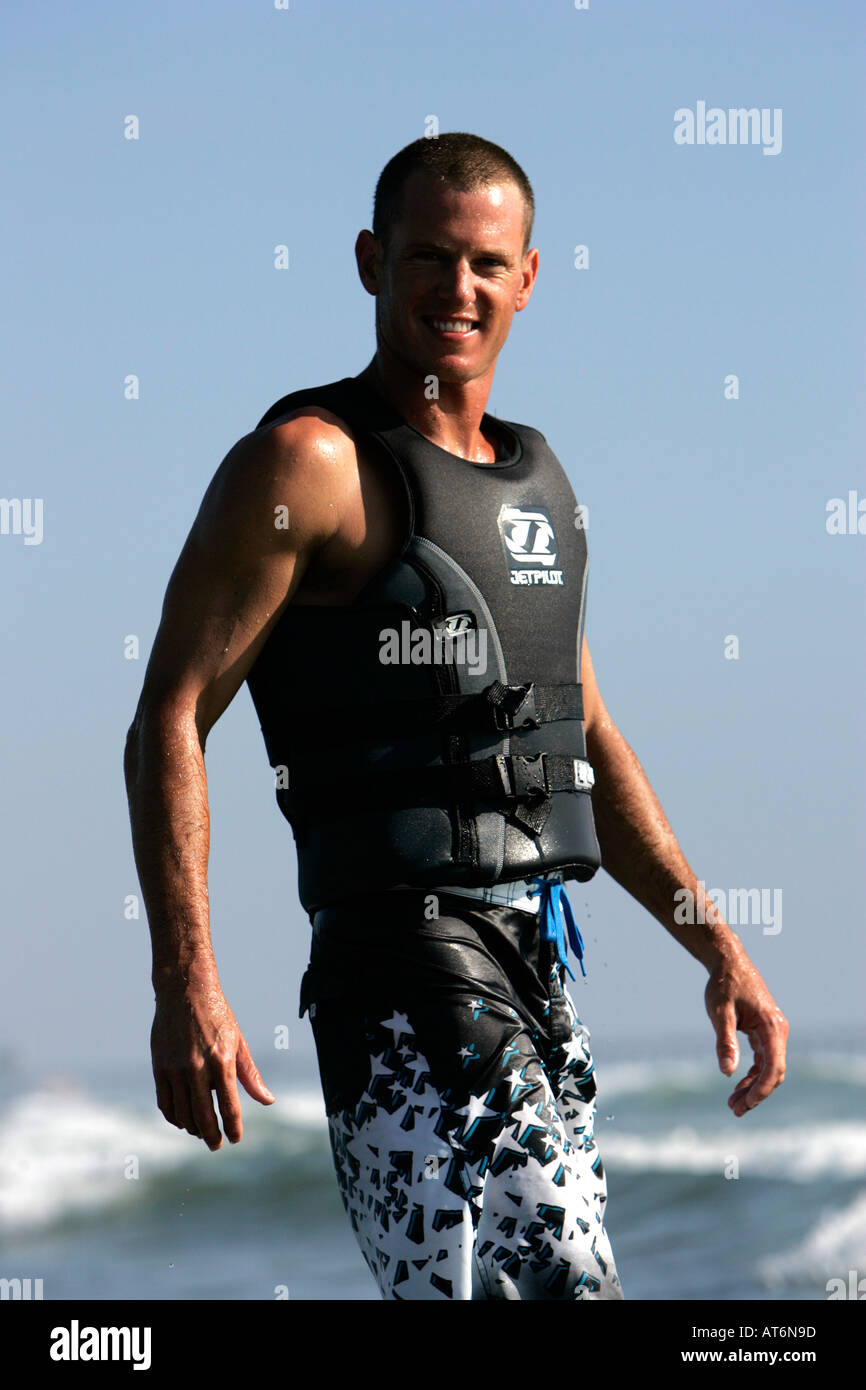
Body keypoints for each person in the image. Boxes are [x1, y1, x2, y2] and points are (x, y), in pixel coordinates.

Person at [124, 132, 789, 1301]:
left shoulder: (538, 485)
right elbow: (169, 718)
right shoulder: (306, 465)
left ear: (526, 277)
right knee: (560, 1286)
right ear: (370, 261)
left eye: (486, 262)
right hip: (398, 963)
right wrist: (185, 980)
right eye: (428, 256)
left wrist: (716, 945)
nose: (458, 287)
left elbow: (582, 739)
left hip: (537, 956)